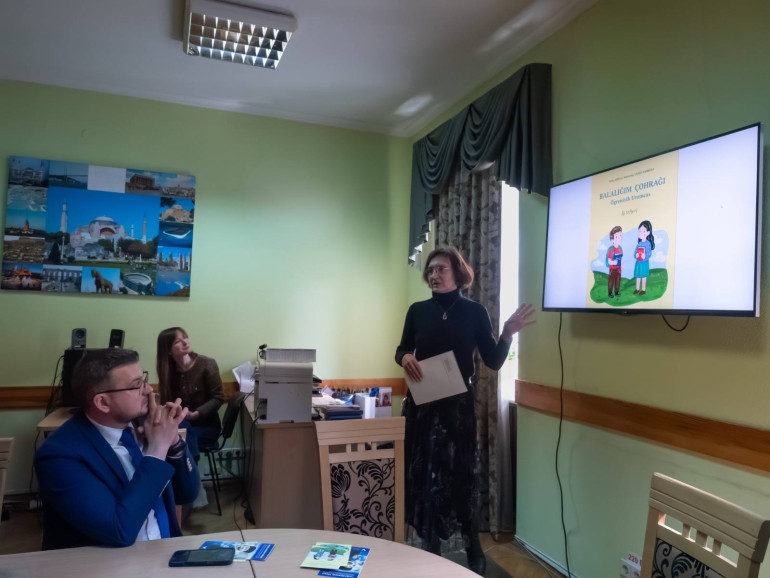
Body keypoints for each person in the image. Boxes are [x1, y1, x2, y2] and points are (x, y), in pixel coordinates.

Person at [395, 247, 535, 575]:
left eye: (441, 269)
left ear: (458, 274)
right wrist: (405, 357)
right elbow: (401, 349)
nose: (434, 275)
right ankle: (430, 543)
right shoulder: (417, 311)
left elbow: (493, 361)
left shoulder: (474, 312)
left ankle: (471, 541)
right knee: (425, 476)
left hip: (457, 410)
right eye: (430, 270)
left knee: (461, 476)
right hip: (422, 408)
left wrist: (507, 334)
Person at [34, 348, 199, 550]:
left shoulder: (146, 426)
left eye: (144, 380)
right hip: (105, 563)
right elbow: (119, 531)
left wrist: (173, 443)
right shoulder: (59, 456)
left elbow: (187, 494)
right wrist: (157, 450)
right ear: (103, 402)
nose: (148, 390)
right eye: (136, 386)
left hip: (164, 554)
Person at [156, 327, 224, 459]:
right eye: (178, 341)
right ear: (168, 350)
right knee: (177, 433)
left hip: (208, 426)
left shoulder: (207, 364)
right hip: (181, 424)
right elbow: (166, 403)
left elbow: (218, 398)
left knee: (183, 437)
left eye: (185, 337)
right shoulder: (167, 371)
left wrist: (197, 414)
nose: (185, 342)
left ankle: (190, 471)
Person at [633, 220, 655, 296]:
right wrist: (636, 255)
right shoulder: (639, 243)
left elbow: (649, 254)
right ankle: (637, 289)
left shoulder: (648, 243)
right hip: (638, 263)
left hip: (644, 263)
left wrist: (644, 257)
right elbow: (635, 253)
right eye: (640, 231)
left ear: (648, 233)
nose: (641, 233)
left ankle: (643, 289)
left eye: (643, 231)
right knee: (638, 276)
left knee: (644, 276)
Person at [607, 225, 623, 298]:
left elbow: (622, 258)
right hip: (612, 269)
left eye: (620, 235)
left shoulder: (620, 249)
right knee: (611, 280)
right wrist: (613, 262)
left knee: (618, 280)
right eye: (616, 236)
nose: (619, 238)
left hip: (618, 268)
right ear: (612, 240)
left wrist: (622, 267)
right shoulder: (611, 250)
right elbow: (609, 261)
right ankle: (610, 292)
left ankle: (616, 292)